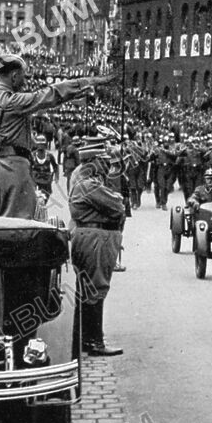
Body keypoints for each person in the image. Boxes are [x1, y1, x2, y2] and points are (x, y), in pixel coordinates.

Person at [0, 54, 115, 219]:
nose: (25, 81)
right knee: (18, 224)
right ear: (14, 76)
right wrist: (86, 82)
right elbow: (52, 94)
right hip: (11, 167)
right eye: (23, 76)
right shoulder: (12, 100)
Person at [69, 144, 125, 357]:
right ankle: (94, 341)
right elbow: (117, 206)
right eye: (103, 161)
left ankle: (86, 338)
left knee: (89, 290)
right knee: (95, 289)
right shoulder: (89, 185)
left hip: (91, 236)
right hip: (94, 238)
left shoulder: (86, 183)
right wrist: (116, 199)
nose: (107, 165)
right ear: (92, 162)